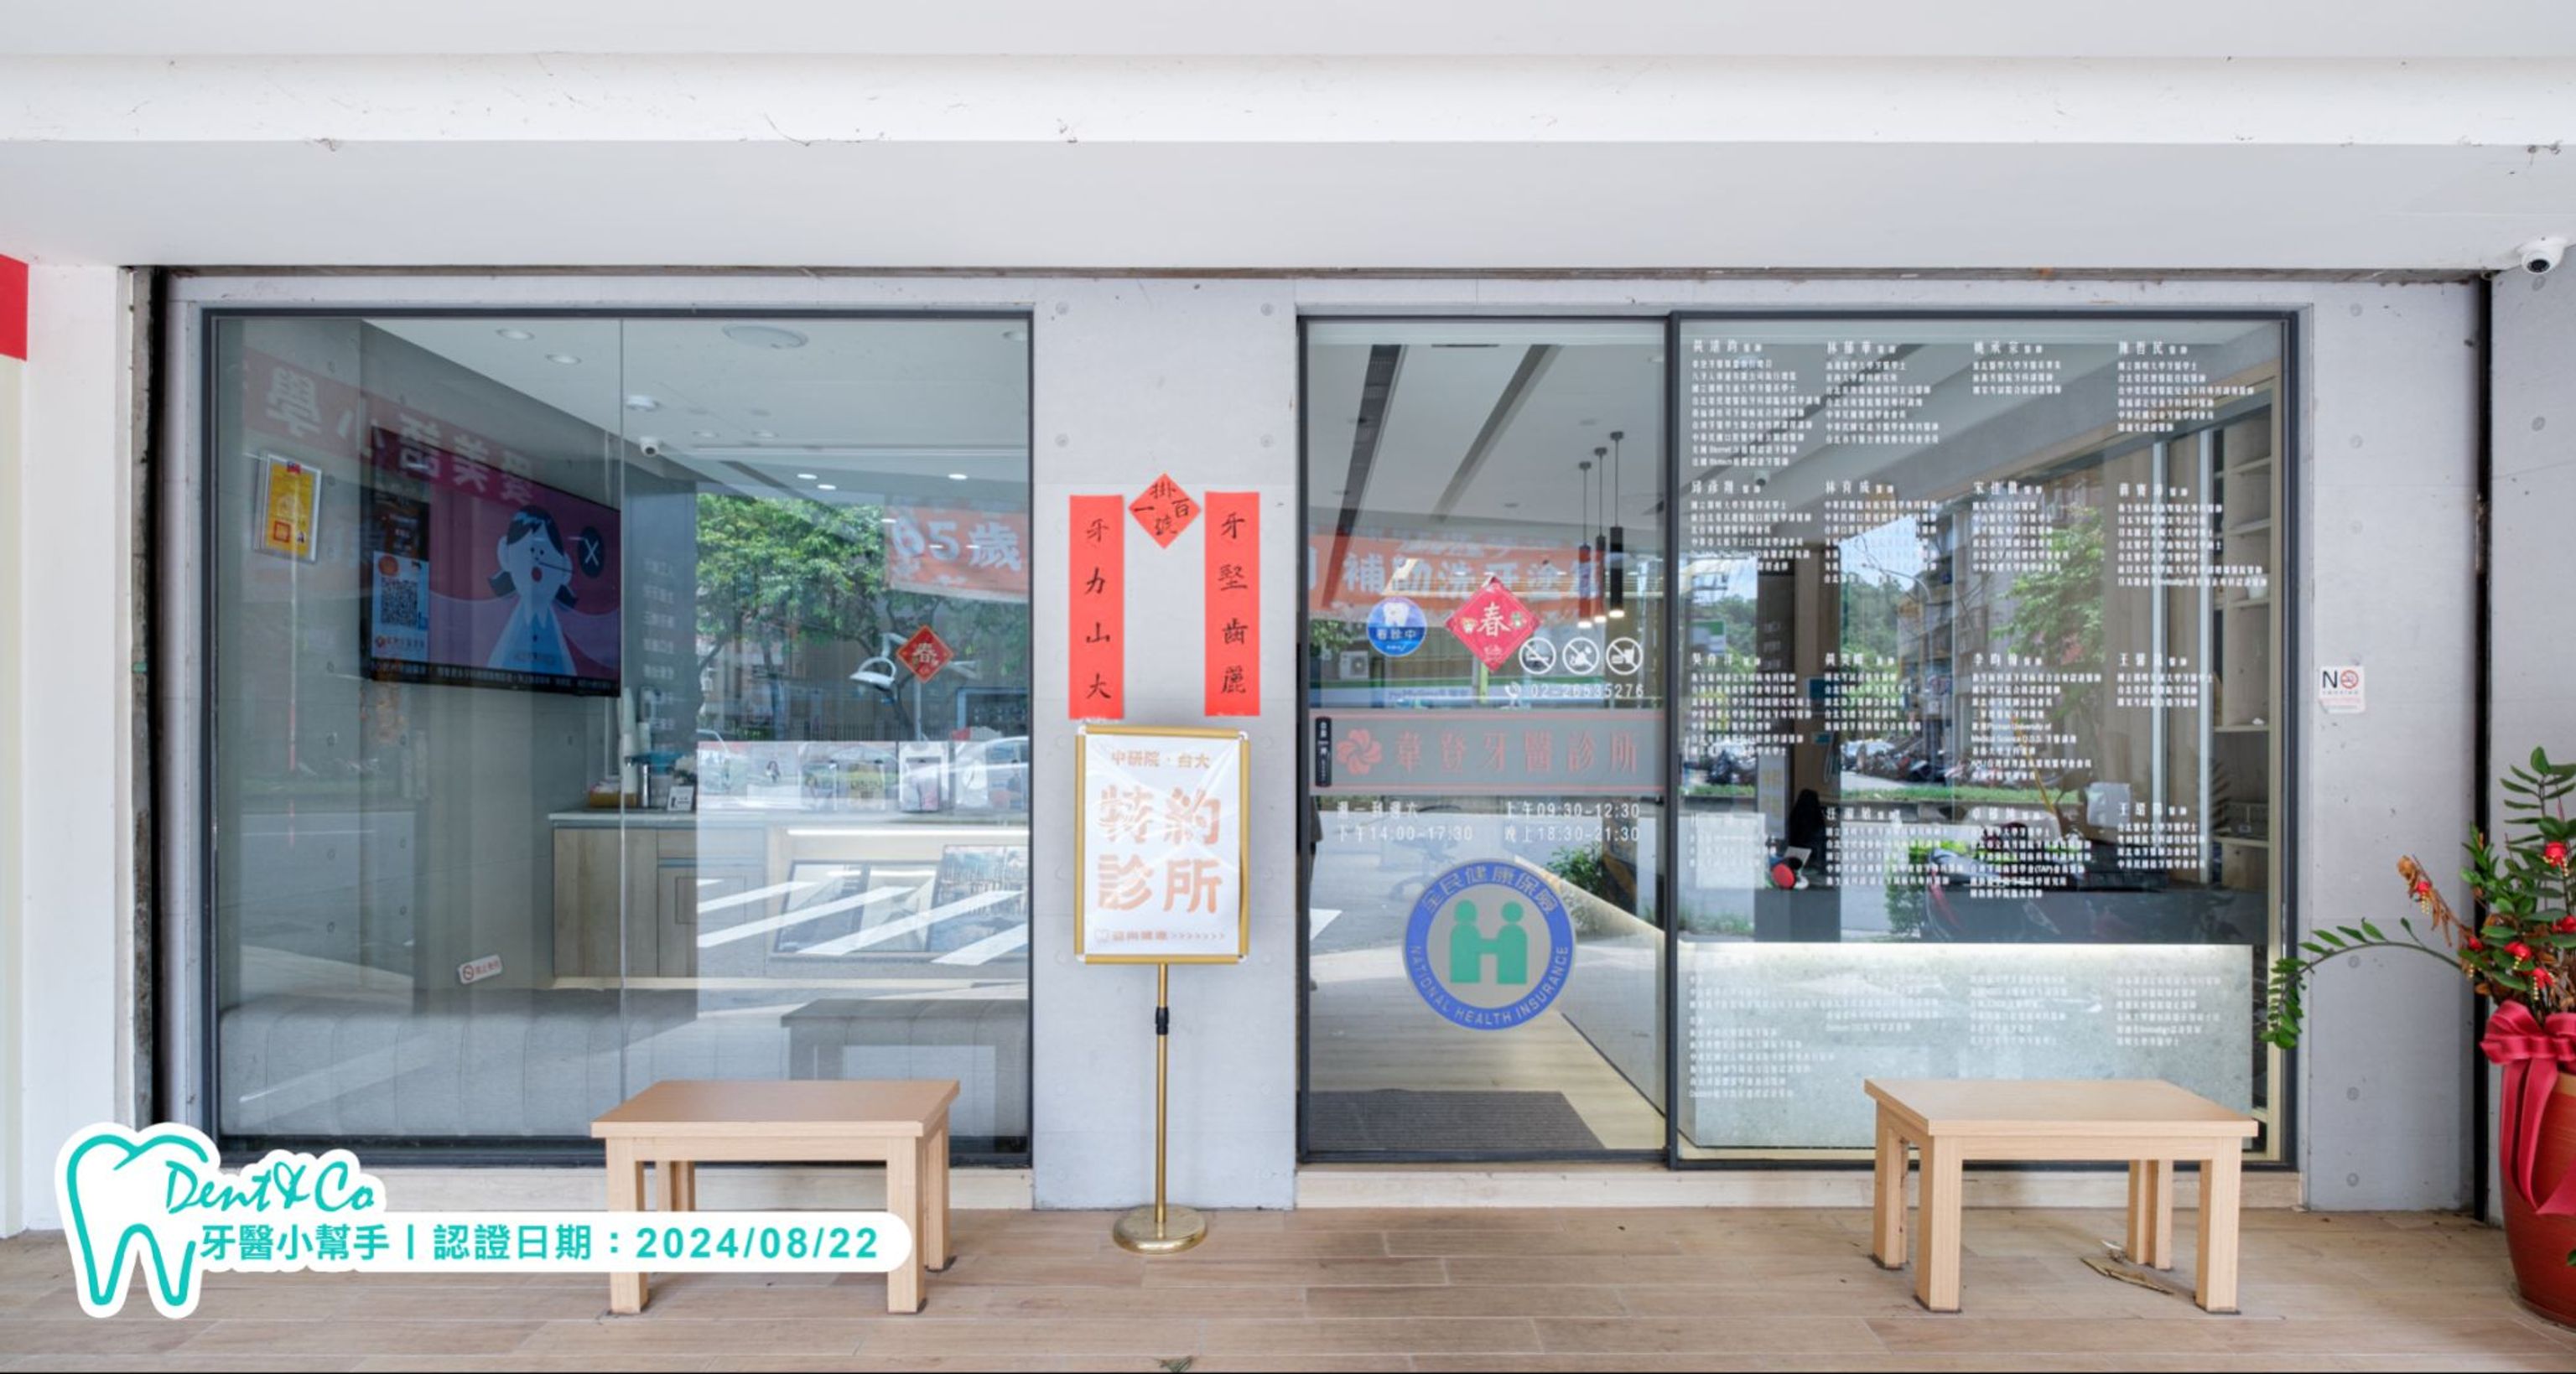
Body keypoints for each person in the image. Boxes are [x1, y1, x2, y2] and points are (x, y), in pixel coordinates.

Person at [486, 506, 578, 677]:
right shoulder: (513, 622)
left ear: (564, 567)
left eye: (543, 552)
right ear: (507, 556)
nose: (536, 559)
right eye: (530, 551)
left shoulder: (553, 625)